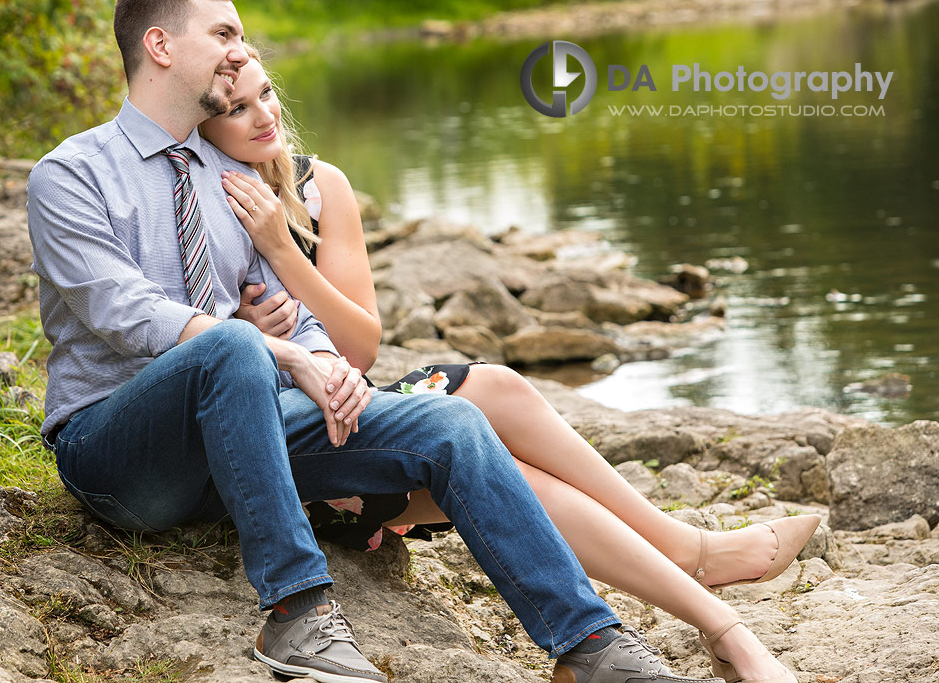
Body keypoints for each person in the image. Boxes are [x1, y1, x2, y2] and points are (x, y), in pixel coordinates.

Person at [27, 0, 730, 683]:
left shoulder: (229, 176)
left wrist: (327, 366)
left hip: (244, 442)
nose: (241, 52)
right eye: (224, 35)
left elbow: (292, 315)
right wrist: (279, 352)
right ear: (161, 46)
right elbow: (125, 311)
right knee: (235, 345)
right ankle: (296, 611)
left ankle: (589, 647)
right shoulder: (71, 174)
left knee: (450, 422)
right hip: (119, 454)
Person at [199, 46, 820, 683]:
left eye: (267, 94)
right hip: (300, 456)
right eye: (237, 109)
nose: (263, 117)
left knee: (493, 384)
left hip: (353, 403)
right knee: (509, 468)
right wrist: (249, 331)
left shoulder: (317, 185)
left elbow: (362, 345)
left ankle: (691, 556)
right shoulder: (202, 202)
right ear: (204, 125)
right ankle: (715, 614)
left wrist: (284, 247)